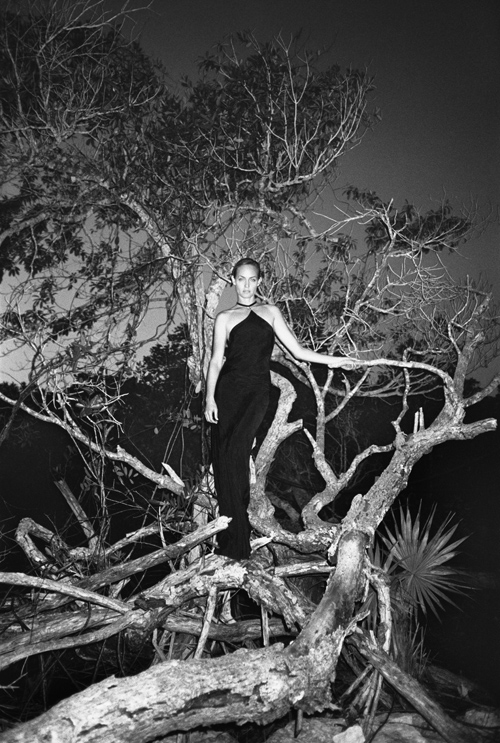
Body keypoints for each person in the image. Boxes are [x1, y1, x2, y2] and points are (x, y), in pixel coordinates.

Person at [204, 257, 357, 560]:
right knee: (225, 459)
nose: (246, 285)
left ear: (259, 282)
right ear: (233, 281)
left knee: (237, 454)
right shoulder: (224, 317)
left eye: (252, 279)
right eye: (241, 279)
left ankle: (238, 540)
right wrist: (209, 397)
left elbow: (298, 351)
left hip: (257, 393)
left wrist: (336, 361)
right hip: (228, 392)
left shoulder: (270, 312)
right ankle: (232, 540)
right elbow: (217, 360)